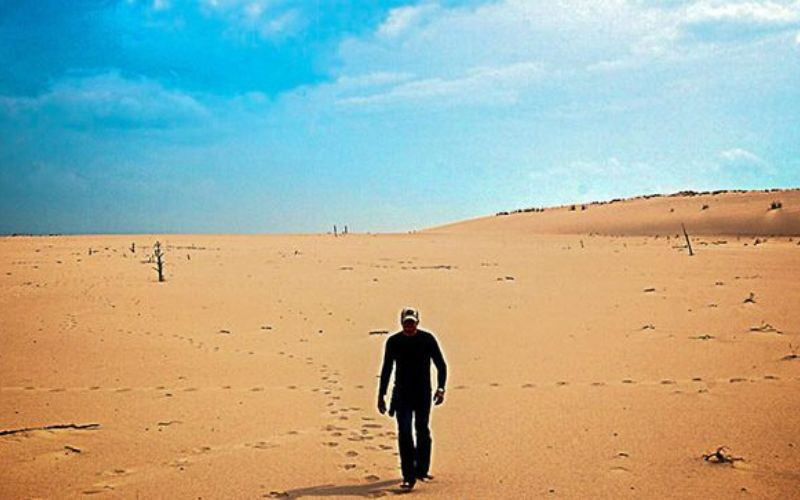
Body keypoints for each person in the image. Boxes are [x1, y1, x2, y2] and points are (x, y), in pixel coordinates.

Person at [377, 307, 447, 491]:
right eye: (406, 323)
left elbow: (441, 365)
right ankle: (408, 476)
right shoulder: (394, 342)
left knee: (422, 430)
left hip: (423, 393)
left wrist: (441, 388)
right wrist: (381, 395)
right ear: (401, 323)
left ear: (417, 322)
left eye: (412, 322)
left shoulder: (427, 339)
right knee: (405, 433)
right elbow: (386, 370)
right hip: (401, 395)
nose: (409, 326)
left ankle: (421, 470)